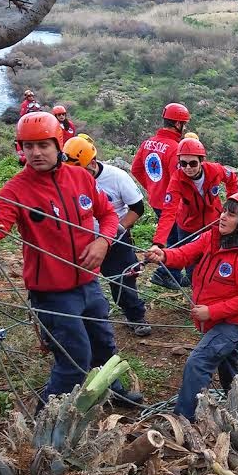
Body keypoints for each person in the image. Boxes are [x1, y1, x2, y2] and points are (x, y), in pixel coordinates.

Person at [0, 112, 142, 408]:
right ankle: (45, 416)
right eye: (28, 146)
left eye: (43, 146)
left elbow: (106, 215)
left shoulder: (80, 178)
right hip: (52, 293)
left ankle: (112, 389)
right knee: (74, 358)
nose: (35, 153)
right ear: (21, 149)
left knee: (104, 345)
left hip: (88, 283)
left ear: (57, 145)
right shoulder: (16, 190)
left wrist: (103, 241)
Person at [144, 191, 238, 421]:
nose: (222, 217)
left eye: (231, 215)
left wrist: (211, 311)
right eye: (223, 211)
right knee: (228, 366)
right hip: (215, 321)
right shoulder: (211, 237)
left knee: (198, 363)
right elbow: (184, 254)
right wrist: (164, 255)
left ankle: (183, 420)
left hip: (234, 323)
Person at [63, 134, 151, 337]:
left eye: (82, 170)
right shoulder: (68, 179)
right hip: (81, 238)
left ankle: (135, 315)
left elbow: (137, 207)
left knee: (123, 279)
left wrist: (116, 230)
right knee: (78, 282)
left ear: (92, 162)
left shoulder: (116, 177)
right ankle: (81, 319)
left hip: (115, 238)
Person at [152, 137, 238, 286]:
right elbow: (168, 212)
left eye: (192, 163)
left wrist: (231, 205)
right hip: (188, 226)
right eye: (183, 163)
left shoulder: (215, 170)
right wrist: (158, 243)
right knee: (192, 265)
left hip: (213, 223)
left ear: (201, 161)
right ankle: (195, 287)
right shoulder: (177, 179)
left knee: (213, 258)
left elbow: (232, 180)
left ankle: (210, 287)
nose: (187, 168)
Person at [132, 102, 190, 289]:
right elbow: (181, 180)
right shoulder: (175, 148)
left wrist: (152, 186)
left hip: (157, 200)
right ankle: (166, 273)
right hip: (174, 203)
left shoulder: (147, 143)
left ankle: (171, 273)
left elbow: (136, 169)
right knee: (179, 239)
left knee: (173, 236)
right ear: (178, 124)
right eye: (184, 124)